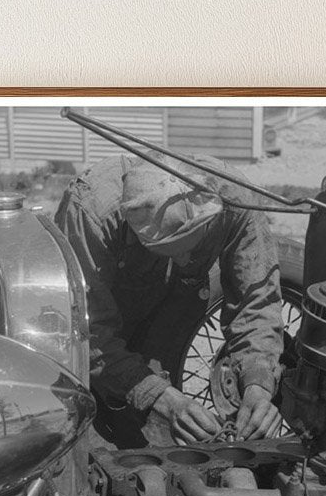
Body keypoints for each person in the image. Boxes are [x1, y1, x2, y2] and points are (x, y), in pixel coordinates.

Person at [55, 153, 284, 446]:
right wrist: (158, 396)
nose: (186, 260)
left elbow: (257, 301)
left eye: (192, 248)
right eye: (169, 251)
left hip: (180, 300)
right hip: (111, 307)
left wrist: (258, 382)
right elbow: (86, 332)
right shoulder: (91, 214)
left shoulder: (238, 201)